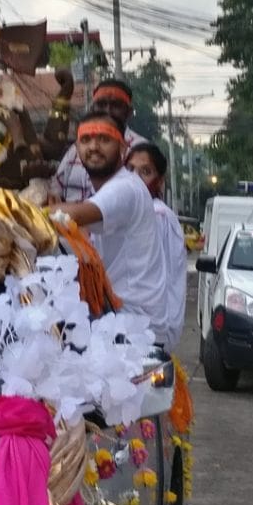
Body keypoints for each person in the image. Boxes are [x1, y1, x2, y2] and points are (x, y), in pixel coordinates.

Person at [52, 114, 176, 347]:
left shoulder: (124, 187)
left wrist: (14, 207)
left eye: (104, 139)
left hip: (133, 331)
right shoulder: (108, 191)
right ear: (77, 149)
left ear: (122, 147)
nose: (94, 147)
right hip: (119, 324)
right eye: (86, 139)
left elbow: (72, 216)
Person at [125, 140, 188, 355]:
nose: (134, 178)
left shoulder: (157, 216)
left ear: (159, 181)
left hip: (149, 331)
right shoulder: (135, 213)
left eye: (145, 171)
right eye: (130, 169)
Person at [52, 78, 147, 203]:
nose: (107, 111)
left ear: (128, 112)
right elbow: (55, 190)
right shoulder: (77, 148)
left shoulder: (141, 149)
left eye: (116, 105)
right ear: (92, 109)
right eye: (101, 105)